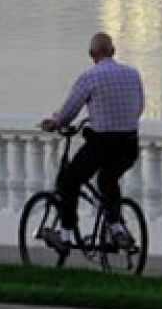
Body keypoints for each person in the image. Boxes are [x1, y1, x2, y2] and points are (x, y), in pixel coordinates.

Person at [38, 32, 145, 252]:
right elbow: (139, 107)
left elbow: (69, 111)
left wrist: (55, 122)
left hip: (102, 145)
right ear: (113, 52)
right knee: (107, 179)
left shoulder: (90, 77)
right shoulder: (133, 74)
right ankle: (117, 228)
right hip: (129, 144)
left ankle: (65, 235)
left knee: (70, 180)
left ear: (91, 55)